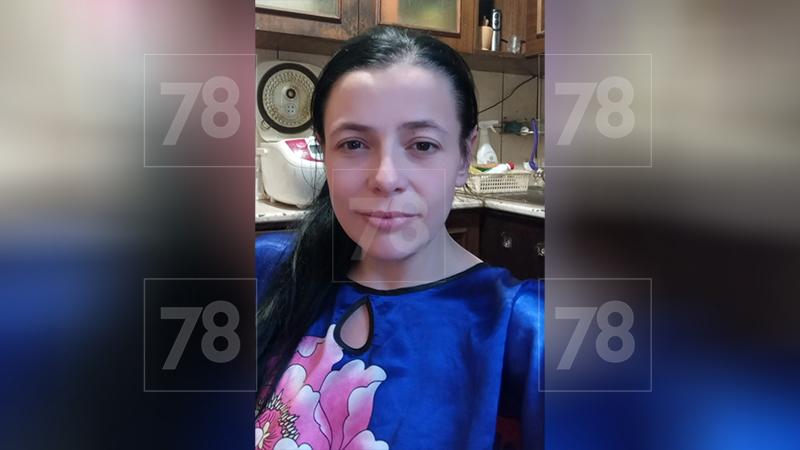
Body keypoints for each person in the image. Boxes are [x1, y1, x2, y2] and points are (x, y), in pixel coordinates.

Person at [255, 25, 542, 450]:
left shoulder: (524, 330)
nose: (386, 178)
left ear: (465, 155)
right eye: (354, 144)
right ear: (324, 151)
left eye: (422, 145)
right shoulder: (270, 272)